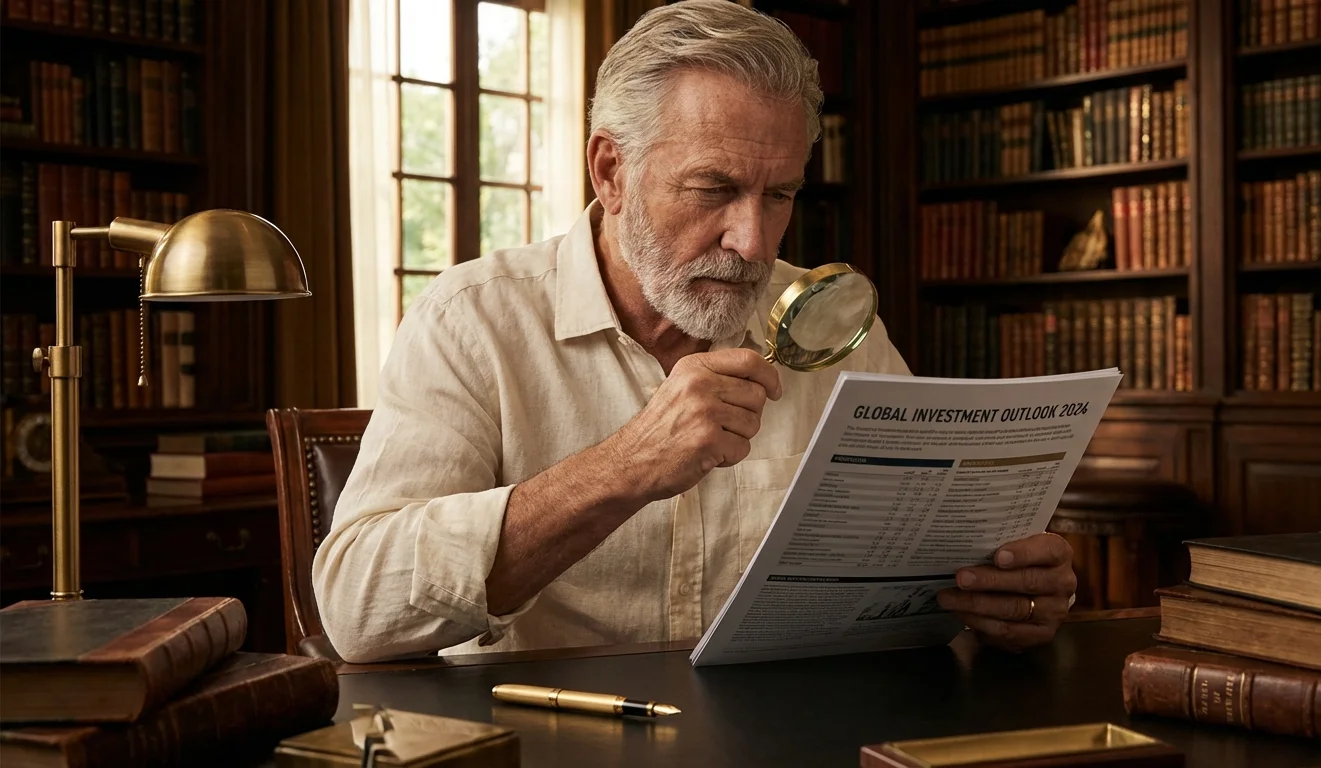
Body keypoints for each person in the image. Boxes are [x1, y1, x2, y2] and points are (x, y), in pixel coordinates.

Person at [313, 0, 1077, 664]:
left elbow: (933, 565)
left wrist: (1008, 599)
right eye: (714, 189)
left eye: (779, 195)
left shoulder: (832, 323)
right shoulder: (471, 320)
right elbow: (357, 609)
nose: (751, 240)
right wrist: (626, 466)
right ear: (610, 171)